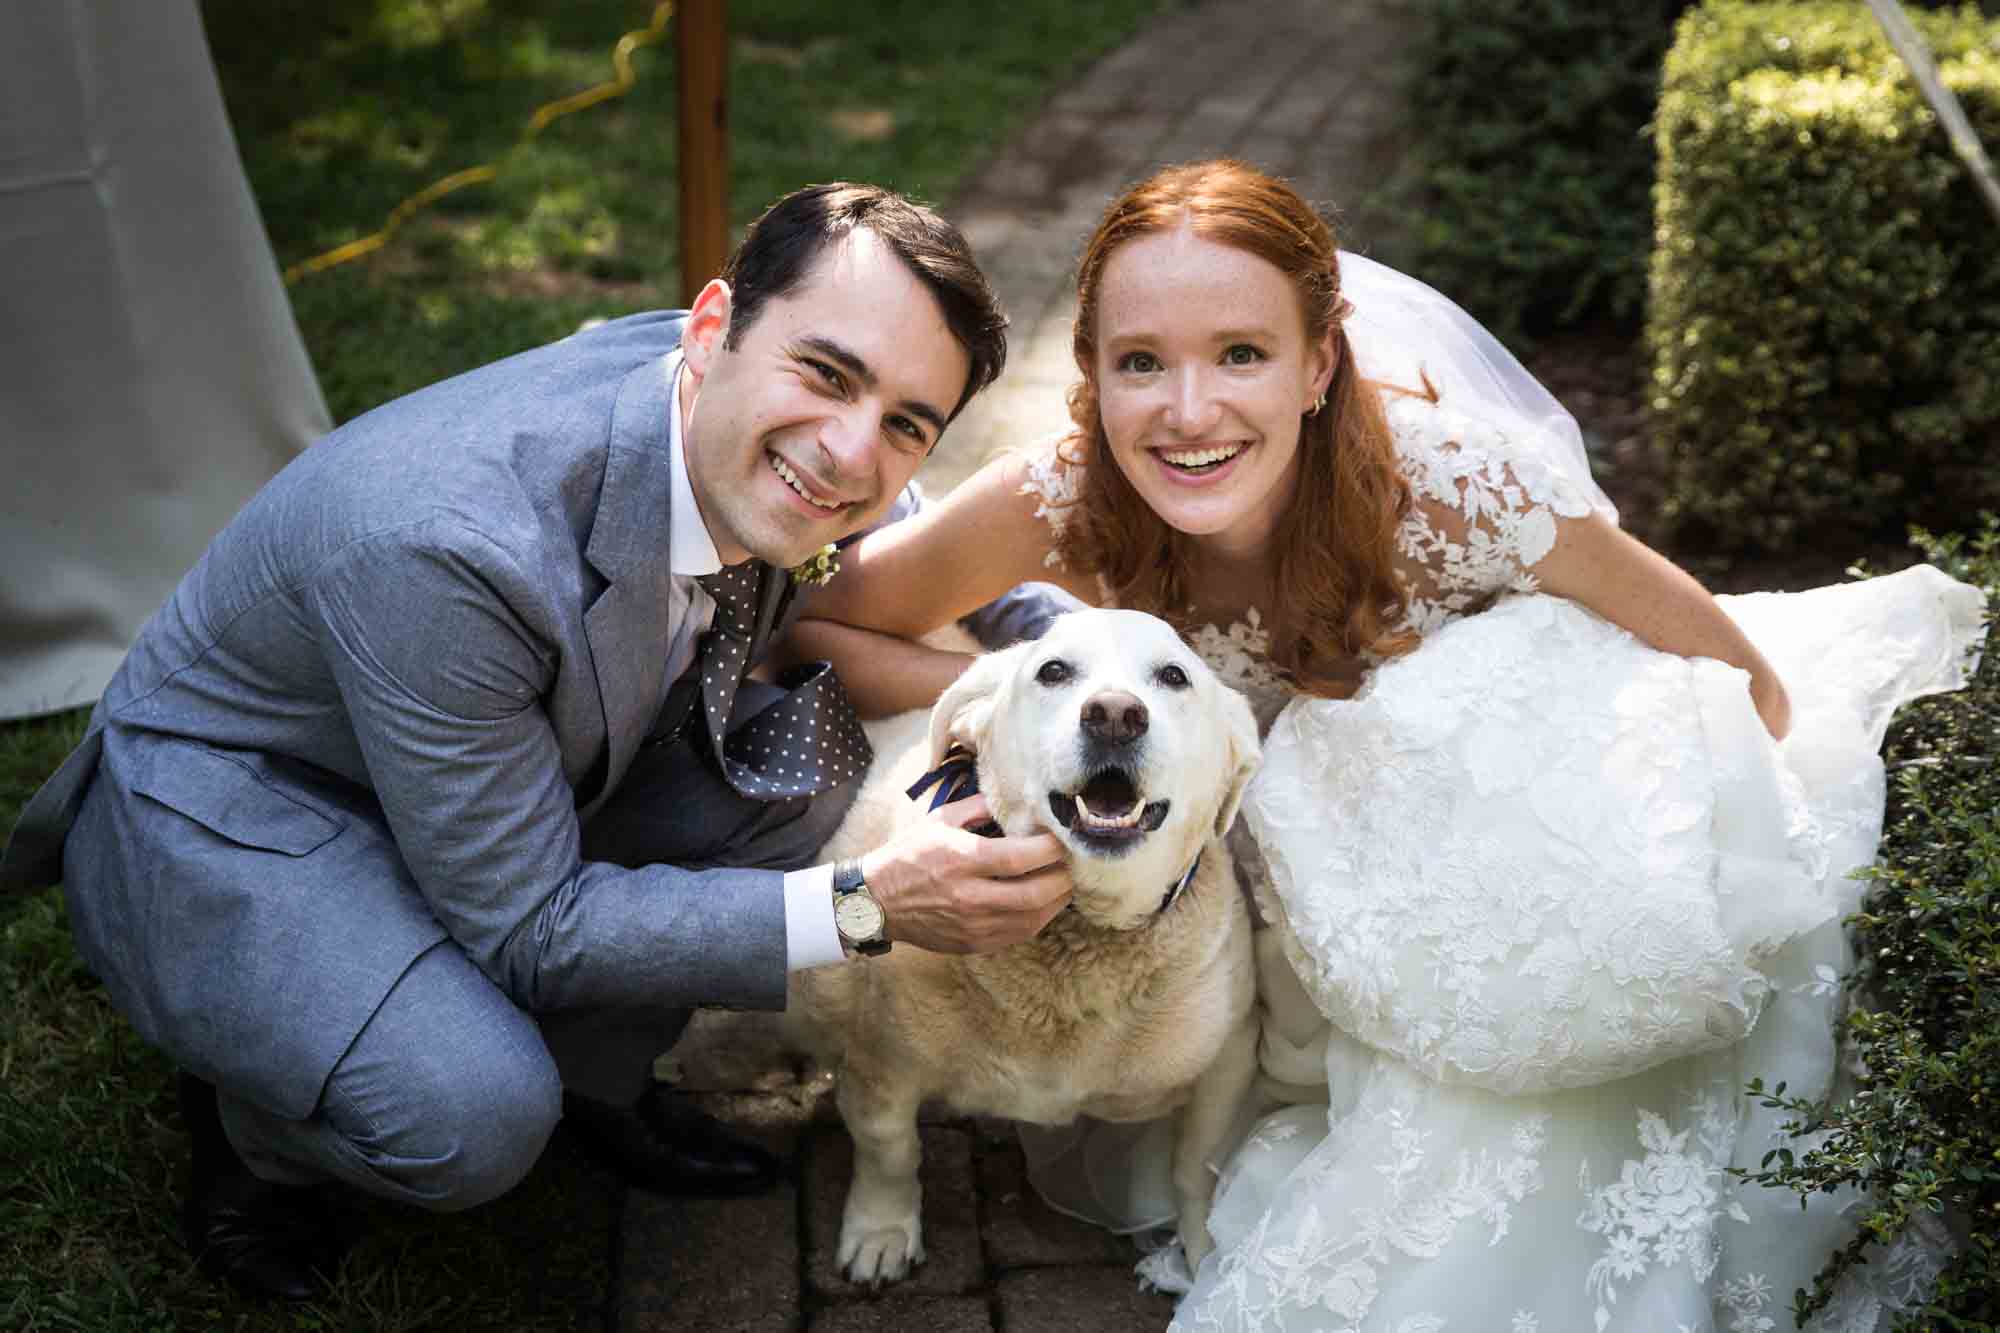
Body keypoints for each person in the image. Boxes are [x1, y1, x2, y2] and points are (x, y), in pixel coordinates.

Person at [787, 160, 1987, 1331]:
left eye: (1241, 355)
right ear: (1089, 374)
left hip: (1487, 834)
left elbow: (1744, 681)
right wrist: (1012, 703)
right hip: (1265, 859)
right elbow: (829, 621)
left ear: (1317, 363)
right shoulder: (1062, 493)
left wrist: (1644, 852)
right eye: (1139, 362)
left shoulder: (1455, 487)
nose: (1187, 411)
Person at [0, 182, 1075, 1303]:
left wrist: (1044, 630)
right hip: (253, 802)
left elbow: (904, 510)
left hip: (483, 758)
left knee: (809, 739)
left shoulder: (740, 403)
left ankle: (597, 1081)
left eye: (905, 421)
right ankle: (258, 1123)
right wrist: (867, 903)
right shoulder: (450, 545)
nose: (852, 455)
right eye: (828, 372)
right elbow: (528, 928)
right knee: (471, 1113)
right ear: (713, 329)